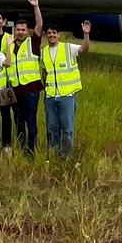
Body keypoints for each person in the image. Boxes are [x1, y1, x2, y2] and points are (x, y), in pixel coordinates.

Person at [41, 17, 92, 157]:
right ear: (46, 35)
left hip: (67, 96)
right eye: (49, 33)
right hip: (51, 96)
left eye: (54, 33)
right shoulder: (43, 52)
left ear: (59, 35)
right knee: (52, 127)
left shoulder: (67, 48)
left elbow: (84, 49)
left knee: (67, 128)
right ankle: (53, 153)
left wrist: (86, 34)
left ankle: (66, 155)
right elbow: (44, 73)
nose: (52, 35)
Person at [7, 0, 45, 154]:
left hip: (31, 89)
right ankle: (21, 147)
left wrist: (35, 6)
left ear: (27, 31)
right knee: (18, 121)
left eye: (23, 30)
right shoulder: (10, 44)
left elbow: (39, 25)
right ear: (15, 30)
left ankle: (31, 150)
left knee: (31, 121)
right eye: (18, 30)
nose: (21, 32)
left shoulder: (32, 43)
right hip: (15, 89)